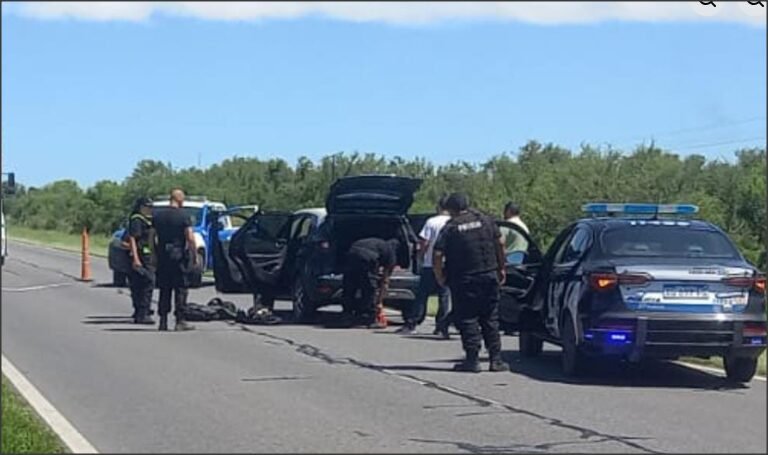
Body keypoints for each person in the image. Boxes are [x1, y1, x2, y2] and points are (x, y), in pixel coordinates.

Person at [433, 193, 510, 373]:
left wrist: (439, 275)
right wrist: (502, 267)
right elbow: (500, 243)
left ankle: (472, 359)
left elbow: (437, 254)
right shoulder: (486, 220)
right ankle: (496, 360)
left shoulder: (451, 227)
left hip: (464, 278)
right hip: (488, 274)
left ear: (451, 209)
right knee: (490, 317)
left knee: (467, 318)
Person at [396, 196, 451, 338]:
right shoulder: (453, 222)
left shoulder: (431, 222)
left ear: (438, 207)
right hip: (448, 265)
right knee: (444, 296)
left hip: (430, 264)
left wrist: (420, 256)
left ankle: (412, 323)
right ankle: (441, 327)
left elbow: (424, 242)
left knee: (422, 295)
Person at [152, 189, 198, 331]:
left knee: (164, 288)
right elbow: (190, 237)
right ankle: (180, 320)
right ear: (180, 199)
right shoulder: (184, 216)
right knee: (180, 288)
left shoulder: (158, 216)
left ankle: (163, 320)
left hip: (163, 256)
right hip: (178, 256)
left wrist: (154, 253)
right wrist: (194, 255)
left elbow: (152, 236)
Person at [342, 237, 400, 329]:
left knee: (350, 286)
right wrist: (379, 300)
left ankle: (347, 316)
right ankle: (370, 319)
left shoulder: (378, 243)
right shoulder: (391, 252)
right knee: (369, 288)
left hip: (352, 252)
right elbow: (386, 278)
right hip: (368, 257)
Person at [127, 197, 155, 324]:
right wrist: (136, 258)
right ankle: (142, 313)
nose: (149, 209)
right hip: (141, 256)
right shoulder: (137, 220)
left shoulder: (148, 220)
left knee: (141, 284)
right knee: (147, 283)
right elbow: (132, 239)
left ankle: (140, 312)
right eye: (147, 206)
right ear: (141, 207)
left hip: (148, 256)